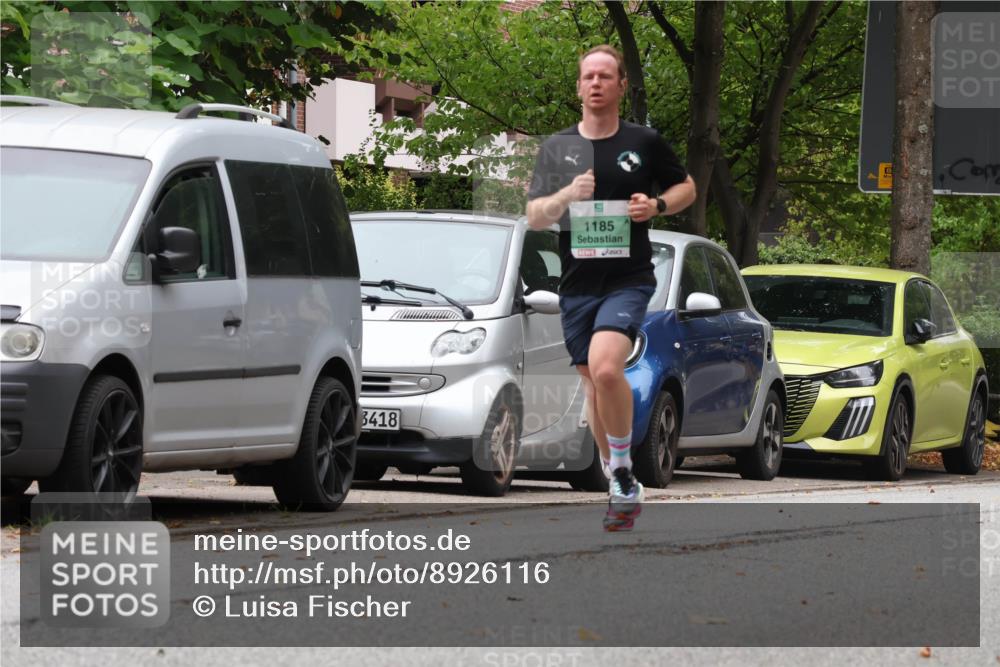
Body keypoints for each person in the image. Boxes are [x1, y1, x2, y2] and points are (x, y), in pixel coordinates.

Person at [526, 45, 696, 531]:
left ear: (621, 85)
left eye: (605, 76)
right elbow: (535, 215)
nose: (596, 83)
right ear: (579, 87)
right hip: (577, 284)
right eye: (589, 76)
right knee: (592, 381)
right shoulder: (558, 148)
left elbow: (686, 188)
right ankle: (616, 471)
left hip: (628, 279)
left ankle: (621, 470)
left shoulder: (643, 141)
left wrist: (656, 205)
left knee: (605, 369)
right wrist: (568, 193)